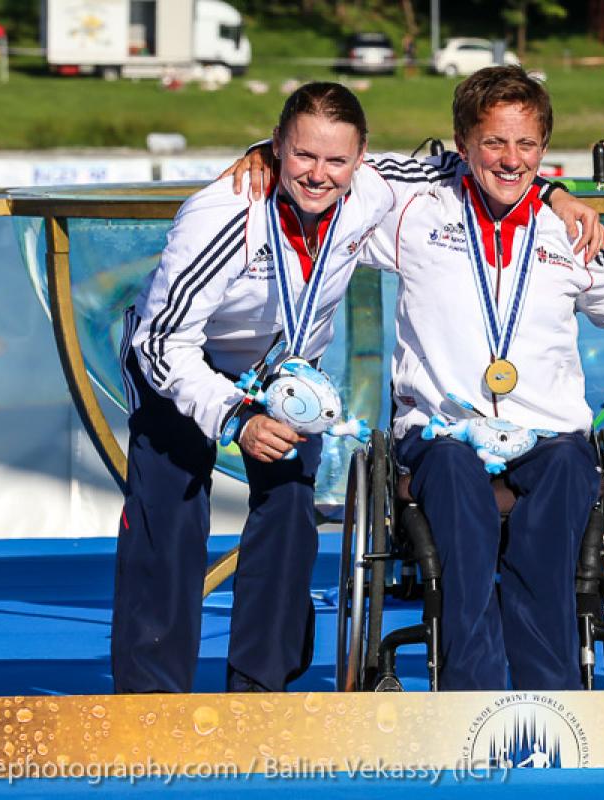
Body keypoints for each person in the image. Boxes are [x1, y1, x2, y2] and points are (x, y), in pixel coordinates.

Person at [113, 81, 487, 694]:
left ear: (362, 156)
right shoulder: (222, 214)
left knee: (289, 515)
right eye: (303, 156)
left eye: (337, 160)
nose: (319, 175)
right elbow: (161, 344)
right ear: (279, 146)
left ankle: (261, 689)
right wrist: (234, 418)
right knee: (171, 520)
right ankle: (152, 697)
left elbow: (461, 165)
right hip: (182, 365)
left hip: (284, 376)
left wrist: (554, 192)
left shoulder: (371, 187)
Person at [358, 66, 604, 690]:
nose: (511, 161)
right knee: (455, 473)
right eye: (493, 143)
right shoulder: (414, 215)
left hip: (546, 435)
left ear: (544, 152)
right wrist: (267, 158)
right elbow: (337, 170)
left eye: (527, 146)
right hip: (443, 433)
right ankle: (474, 689)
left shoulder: (567, 232)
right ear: (462, 144)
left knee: (571, 468)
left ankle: (550, 690)